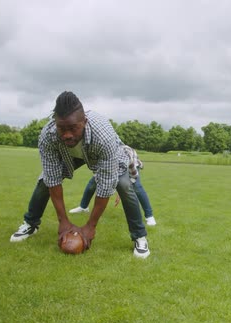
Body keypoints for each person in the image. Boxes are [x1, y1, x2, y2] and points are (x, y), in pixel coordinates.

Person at [10, 91, 150, 258]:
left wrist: (90, 226)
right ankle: (30, 223)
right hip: (69, 154)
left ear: (84, 122)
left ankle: (140, 237)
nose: (67, 134)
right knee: (44, 182)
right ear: (55, 123)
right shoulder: (48, 136)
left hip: (100, 151)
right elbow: (52, 179)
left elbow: (105, 187)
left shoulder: (104, 137)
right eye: (62, 128)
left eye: (73, 128)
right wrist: (63, 221)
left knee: (124, 185)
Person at [69, 146, 157, 226]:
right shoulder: (103, 157)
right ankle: (83, 207)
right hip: (112, 163)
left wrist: (122, 191)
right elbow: (99, 175)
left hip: (131, 163)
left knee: (137, 187)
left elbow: (133, 176)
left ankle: (149, 216)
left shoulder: (126, 157)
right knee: (92, 184)